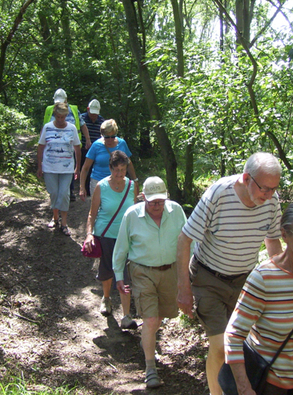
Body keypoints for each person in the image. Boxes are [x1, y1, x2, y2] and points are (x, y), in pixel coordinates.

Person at [177, 152, 284, 395]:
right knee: (221, 346)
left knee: (242, 346)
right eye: (265, 189)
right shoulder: (219, 194)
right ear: (247, 178)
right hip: (208, 279)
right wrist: (183, 289)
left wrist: (281, 284)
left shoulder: (272, 201)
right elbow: (184, 239)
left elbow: (273, 242)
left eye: (274, 189)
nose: (269, 196)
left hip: (246, 282)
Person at [224, 201, 293, 395]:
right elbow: (233, 335)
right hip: (272, 385)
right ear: (284, 235)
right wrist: (243, 387)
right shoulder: (264, 278)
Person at [113, 177, 187, 389]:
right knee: (151, 318)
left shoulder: (176, 212)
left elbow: (188, 240)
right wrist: (119, 275)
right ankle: (150, 367)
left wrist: (190, 270)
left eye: (161, 201)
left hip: (170, 270)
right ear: (142, 197)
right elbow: (121, 247)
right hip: (141, 270)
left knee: (160, 316)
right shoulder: (132, 215)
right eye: (152, 201)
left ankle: (148, 340)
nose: (157, 205)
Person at [81, 150, 137, 328]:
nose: (120, 173)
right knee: (107, 270)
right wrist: (90, 234)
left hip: (127, 236)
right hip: (105, 235)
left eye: (123, 169)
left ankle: (126, 315)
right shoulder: (101, 187)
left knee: (125, 274)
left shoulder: (132, 186)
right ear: (110, 168)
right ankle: (106, 299)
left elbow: (136, 211)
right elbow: (92, 214)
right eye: (116, 169)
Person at [37, 101, 81, 236]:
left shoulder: (72, 128)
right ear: (55, 115)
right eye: (58, 117)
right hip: (50, 167)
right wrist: (39, 165)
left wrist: (77, 167)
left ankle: (64, 223)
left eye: (63, 117)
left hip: (67, 168)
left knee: (64, 194)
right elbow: (40, 146)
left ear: (66, 115)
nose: (61, 120)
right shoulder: (47, 127)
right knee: (54, 193)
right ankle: (55, 217)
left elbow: (77, 148)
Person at [43, 88, 91, 200]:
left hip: (72, 145)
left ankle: (69, 191)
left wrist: (87, 139)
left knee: (69, 167)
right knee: (56, 166)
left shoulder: (74, 110)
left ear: (66, 101)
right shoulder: (50, 110)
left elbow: (83, 124)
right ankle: (58, 193)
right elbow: (45, 126)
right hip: (54, 145)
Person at [79, 119, 139, 201]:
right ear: (102, 134)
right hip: (98, 182)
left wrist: (135, 180)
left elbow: (129, 164)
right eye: (107, 137)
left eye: (113, 136)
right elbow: (85, 168)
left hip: (118, 181)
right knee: (98, 210)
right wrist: (82, 187)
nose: (110, 139)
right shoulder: (96, 145)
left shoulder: (122, 144)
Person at [80, 99, 105, 195]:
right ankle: (83, 188)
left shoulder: (102, 121)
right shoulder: (81, 118)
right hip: (83, 150)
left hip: (97, 151)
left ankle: (91, 190)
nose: (94, 116)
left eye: (96, 114)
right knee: (84, 168)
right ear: (87, 109)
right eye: (92, 113)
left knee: (93, 170)